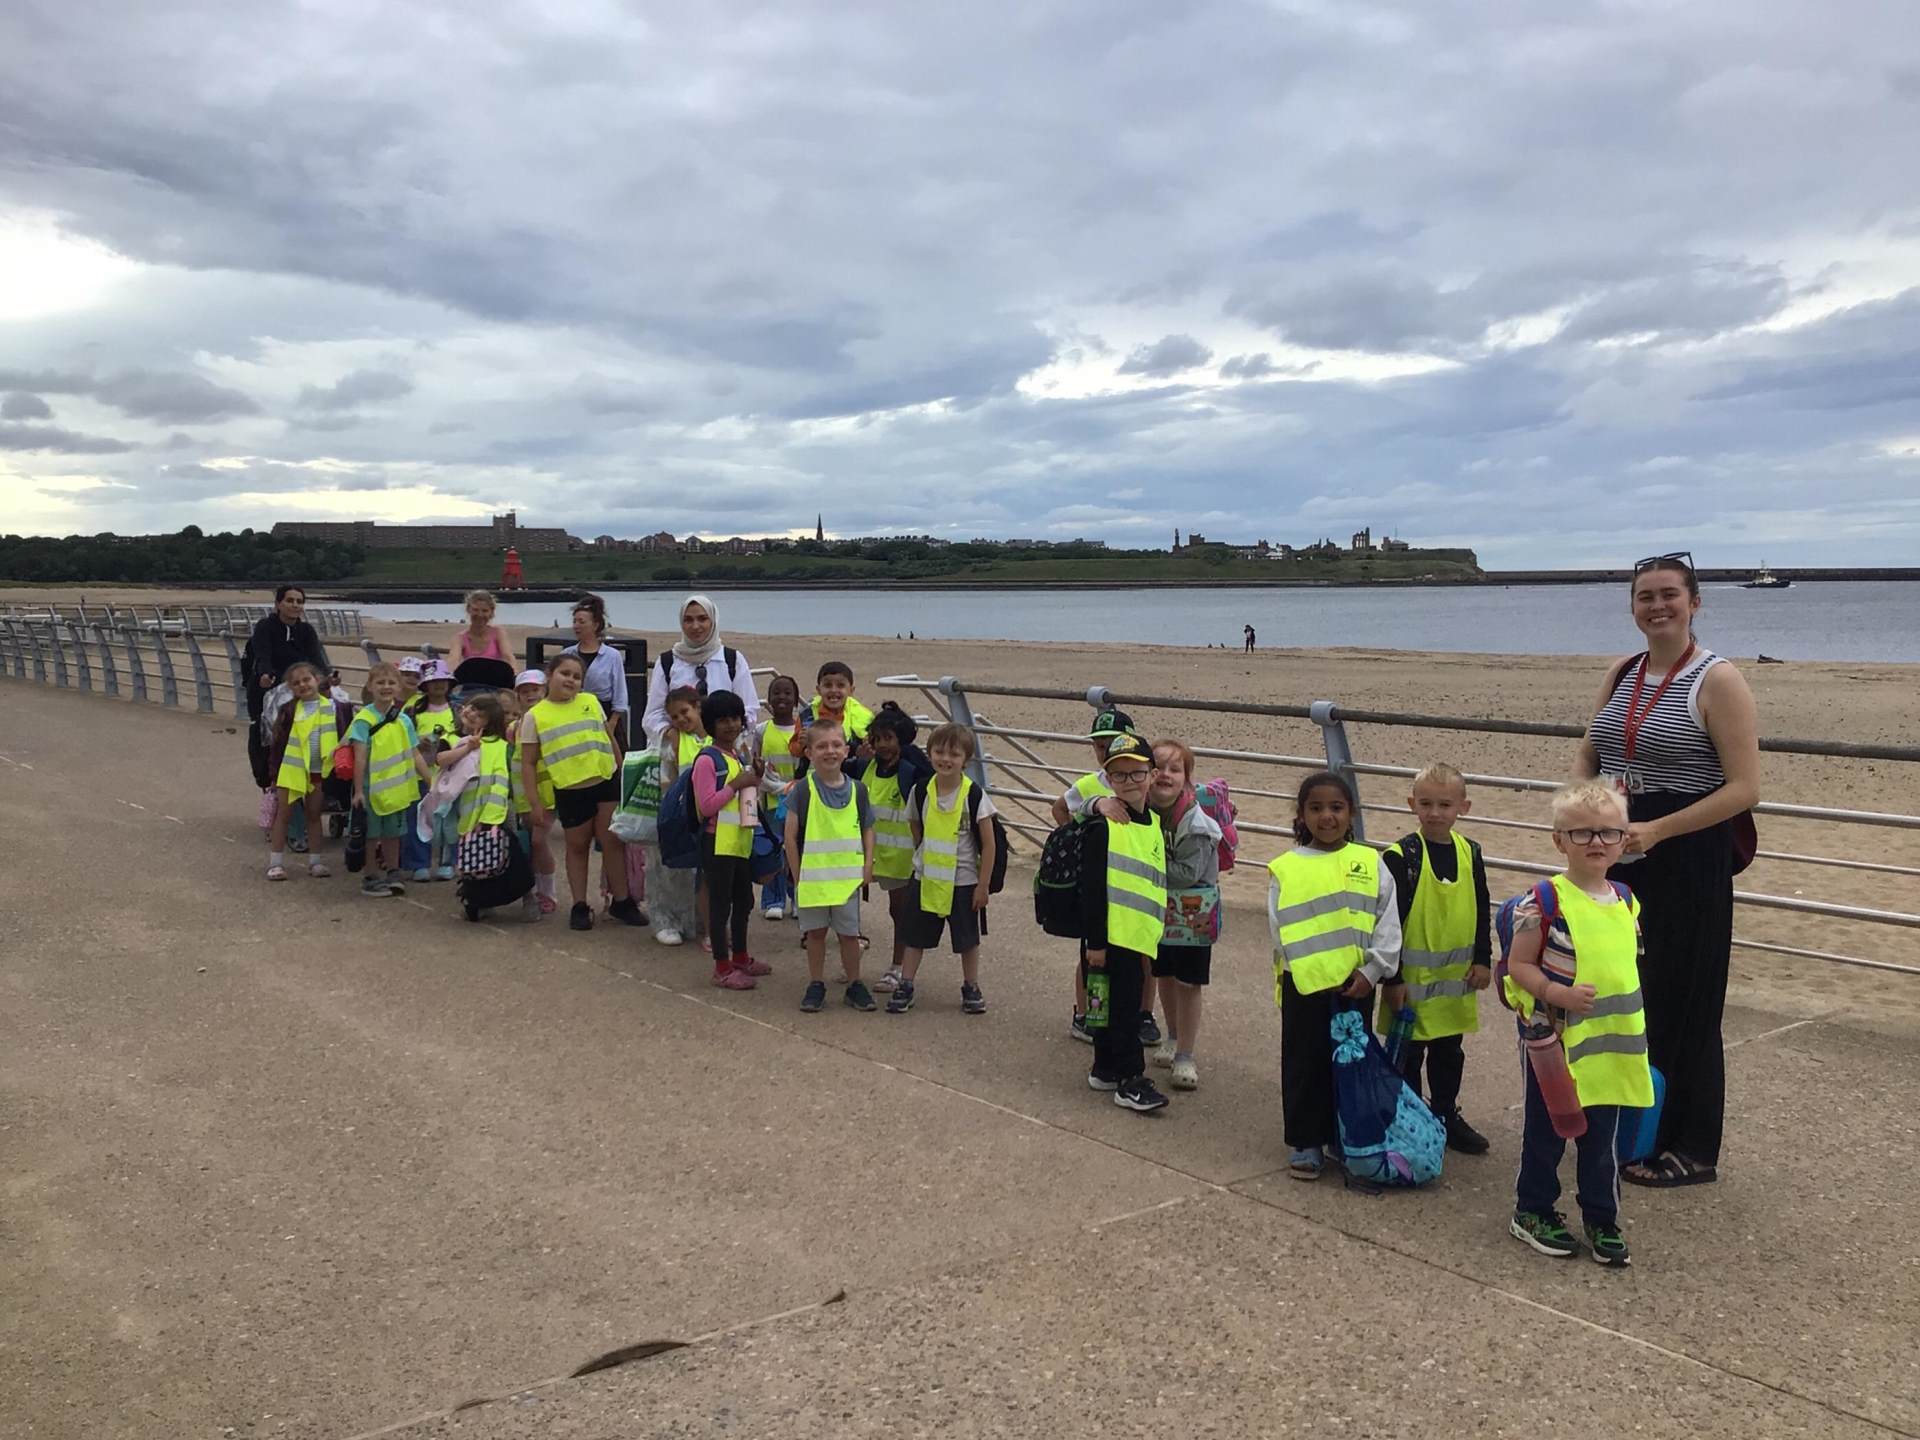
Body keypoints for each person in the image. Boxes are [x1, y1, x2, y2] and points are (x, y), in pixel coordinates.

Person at [1576, 551, 1759, 1189]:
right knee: (1630, 992)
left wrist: (1659, 829)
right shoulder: (1623, 671)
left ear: (1694, 603)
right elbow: (1592, 751)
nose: (1657, 606)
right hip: (1621, 850)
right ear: (1633, 606)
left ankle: (1692, 1146)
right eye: (1645, 596)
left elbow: (1745, 788)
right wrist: (1582, 816)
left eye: (1669, 595)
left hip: (1689, 851)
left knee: (1687, 998)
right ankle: (1633, 1131)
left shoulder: (1718, 679)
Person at [1502, 782, 1653, 1268]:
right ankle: (1533, 1210)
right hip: (1555, 1045)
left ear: (1624, 839)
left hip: (1611, 1049)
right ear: (1559, 841)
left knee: (1602, 1141)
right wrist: (1556, 993)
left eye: (1609, 832)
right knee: (1547, 1132)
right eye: (1581, 833)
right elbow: (1518, 966)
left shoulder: (1626, 900)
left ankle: (1602, 1218)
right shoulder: (1543, 902)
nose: (1596, 842)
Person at [1268, 771, 1401, 1179]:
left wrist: (1373, 970)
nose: (1327, 816)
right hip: (1305, 984)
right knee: (1304, 1062)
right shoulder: (1286, 867)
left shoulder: (1371, 863)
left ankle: (1346, 1136)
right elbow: (1279, 928)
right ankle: (1306, 1139)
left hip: (1355, 985)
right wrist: (1304, 969)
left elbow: (1387, 921)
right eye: (1316, 808)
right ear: (1301, 815)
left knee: (1351, 1062)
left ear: (1351, 813)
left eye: (1336, 807)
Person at [1379, 762, 1494, 1155]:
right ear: (1411, 804)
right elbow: (1388, 922)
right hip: (1409, 986)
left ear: (1464, 807)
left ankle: (1445, 1113)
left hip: (1454, 985)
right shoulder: (1401, 857)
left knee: (1449, 1053)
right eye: (1426, 803)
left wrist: (1483, 959)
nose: (1435, 813)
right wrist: (1392, 979)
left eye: (1445, 805)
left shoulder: (1470, 853)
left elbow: (1481, 906)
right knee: (1408, 1056)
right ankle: (1411, 1120)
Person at [1052, 708, 1158, 1048]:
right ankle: (1086, 1014)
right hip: (1103, 900)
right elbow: (1061, 808)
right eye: (1099, 745)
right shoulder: (1089, 785)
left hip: (1137, 900)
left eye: (1111, 742)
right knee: (1092, 960)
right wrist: (1076, 836)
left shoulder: (1142, 781)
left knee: (1143, 960)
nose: (1104, 750)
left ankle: (1144, 1014)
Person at [520, 653, 646, 932]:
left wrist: (622, 773)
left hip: (605, 782)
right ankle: (579, 905)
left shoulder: (590, 702)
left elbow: (608, 738)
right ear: (549, 674)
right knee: (577, 846)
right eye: (565, 673)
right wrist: (534, 802)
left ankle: (622, 901)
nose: (571, 680)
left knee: (612, 841)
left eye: (577, 677)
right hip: (570, 790)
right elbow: (528, 763)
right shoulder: (535, 716)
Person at [1077, 734, 1170, 1114]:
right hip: (1111, 937)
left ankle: (1104, 1068)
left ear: (1151, 775)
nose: (1129, 781)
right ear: (1108, 779)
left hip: (1136, 934)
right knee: (1123, 1011)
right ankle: (1130, 1078)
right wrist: (1096, 943)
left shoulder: (1153, 822)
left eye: (1137, 773)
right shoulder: (1103, 826)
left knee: (1107, 1005)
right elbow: (1092, 889)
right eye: (1119, 775)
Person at [886, 722, 996, 1015]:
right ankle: (906, 983)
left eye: (954, 754)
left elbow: (989, 844)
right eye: (939, 752)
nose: (946, 759)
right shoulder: (921, 791)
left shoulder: (974, 795)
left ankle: (971, 985)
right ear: (930, 753)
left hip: (963, 881)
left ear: (966, 760)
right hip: (926, 878)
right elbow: (915, 824)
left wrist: (983, 886)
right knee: (914, 936)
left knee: (967, 939)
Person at [784, 721, 877, 1015]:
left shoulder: (859, 790)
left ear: (846, 750)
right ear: (809, 753)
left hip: (847, 880)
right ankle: (816, 983)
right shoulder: (803, 790)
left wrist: (868, 865)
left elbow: (868, 829)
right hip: (813, 880)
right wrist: (797, 875)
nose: (830, 751)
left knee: (849, 935)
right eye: (822, 746)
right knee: (816, 934)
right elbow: (789, 836)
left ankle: (854, 983)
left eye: (836, 745)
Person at [1145, 738, 1222, 1091]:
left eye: (1175, 769)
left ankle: (1186, 1054)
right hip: (1160, 910)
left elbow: (1188, 874)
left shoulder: (1195, 823)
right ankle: (1173, 1036)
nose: (1165, 774)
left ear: (1186, 779)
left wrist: (1145, 864)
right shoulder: (1142, 809)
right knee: (1163, 974)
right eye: (1158, 767)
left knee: (1189, 983)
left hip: (1193, 914)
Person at [691, 690, 769, 990]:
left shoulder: (736, 755)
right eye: (723, 720)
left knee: (744, 901)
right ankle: (722, 967)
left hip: (738, 840)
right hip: (717, 842)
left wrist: (755, 778)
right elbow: (706, 805)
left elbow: (743, 797)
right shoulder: (707, 760)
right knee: (721, 905)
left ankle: (740, 957)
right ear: (711, 724)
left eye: (735, 718)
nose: (731, 725)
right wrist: (737, 784)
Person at [855, 701, 933, 993]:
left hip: (901, 858)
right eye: (877, 738)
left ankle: (898, 967)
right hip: (867, 854)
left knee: (899, 911)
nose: (882, 745)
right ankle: (852, 961)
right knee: (847, 908)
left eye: (889, 738)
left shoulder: (911, 772)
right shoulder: (865, 766)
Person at [348, 662, 427, 899]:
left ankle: (393, 872)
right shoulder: (364, 720)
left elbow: (414, 753)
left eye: (391, 682)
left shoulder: (403, 720)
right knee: (371, 835)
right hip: (371, 788)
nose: (386, 687)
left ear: (399, 687)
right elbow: (360, 757)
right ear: (370, 686)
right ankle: (370, 876)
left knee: (393, 833)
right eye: (380, 682)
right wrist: (358, 791)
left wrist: (430, 781)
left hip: (396, 788)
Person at [640, 594, 760, 747]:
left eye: (702, 619)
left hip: (725, 749)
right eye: (688, 620)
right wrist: (672, 734)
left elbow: (749, 710)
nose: (695, 626)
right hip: (678, 752)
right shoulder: (667, 662)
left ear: (713, 621)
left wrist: (728, 733)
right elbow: (653, 715)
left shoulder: (732, 660)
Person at [244, 585, 331, 789]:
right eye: (290, 601)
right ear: (278, 604)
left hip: (300, 687)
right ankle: (270, 781)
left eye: (299, 602)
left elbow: (317, 660)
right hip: (268, 687)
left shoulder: (306, 630)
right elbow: (263, 655)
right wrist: (265, 675)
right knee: (268, 733)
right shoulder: (266, 627)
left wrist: (328, 678)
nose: (295, 605)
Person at [263, 662, 335, 882]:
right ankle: (275, 863)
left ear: (317, 680)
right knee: (283, 815)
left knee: (314, 815)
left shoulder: (332, 707)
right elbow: (277, 744)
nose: (303, 685)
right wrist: (274, 774)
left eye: (306, 680)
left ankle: (316, 861)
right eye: (296, 683)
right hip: (291, 769)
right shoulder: (289, 710)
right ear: (290, 688)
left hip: (317, 771)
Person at [753, 675, 803, 920]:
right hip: (773, 802)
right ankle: (774, 899)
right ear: (769, 699)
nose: (781, 697)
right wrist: (781, 788)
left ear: (796, 699)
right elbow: (757, 766)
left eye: (787, 693)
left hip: (800, 802)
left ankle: (798, 898)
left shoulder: (804, 732)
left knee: (797, 849)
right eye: (776, 692)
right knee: (774, 849)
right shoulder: (761, 731)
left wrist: (797, 789)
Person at [509, 670, 558, 913]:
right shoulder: (514, 727)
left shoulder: (550, 719)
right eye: (524, 691)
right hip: (522, 793)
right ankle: (534, 889)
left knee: (538, 841)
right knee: (529, 843)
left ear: (544, 690)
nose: (530, 695)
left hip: (547, 792)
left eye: (535, 690)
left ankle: (548, 892)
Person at [559, 596, 631, 758]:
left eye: (581, 622)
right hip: (573, 713)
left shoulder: (611, 656)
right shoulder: (567, 654)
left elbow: (620, 693)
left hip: (604, 714)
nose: (576, 626)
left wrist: (612, 724)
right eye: (574, 621)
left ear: (596, 625)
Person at [411, 661, 461, 882]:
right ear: (425, 686)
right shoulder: (414, 712)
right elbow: (406, 740)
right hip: (420, 773)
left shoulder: (458, 710)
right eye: (433, 681)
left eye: (442, 680)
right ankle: (419, 863)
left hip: (450, 774)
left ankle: (447, 862)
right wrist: (418, 742)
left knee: (448, 820)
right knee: (420, 818)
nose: (439, 685)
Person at [811, 660, 874, 744]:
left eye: (840, 685)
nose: (834, 690)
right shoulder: (807, 716)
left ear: (851, 690)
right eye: (828, 685)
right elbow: (795, 748)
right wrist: (801, 744)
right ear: (818, 690)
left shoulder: (865, 717)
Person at [452, 589, 511, 666]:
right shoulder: (460, 638)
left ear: (491, 612)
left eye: (485, 611)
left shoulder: (498, 633)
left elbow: (508, 657)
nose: (480, 615)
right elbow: (453, 659)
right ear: (468, 610)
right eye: (475, 610)